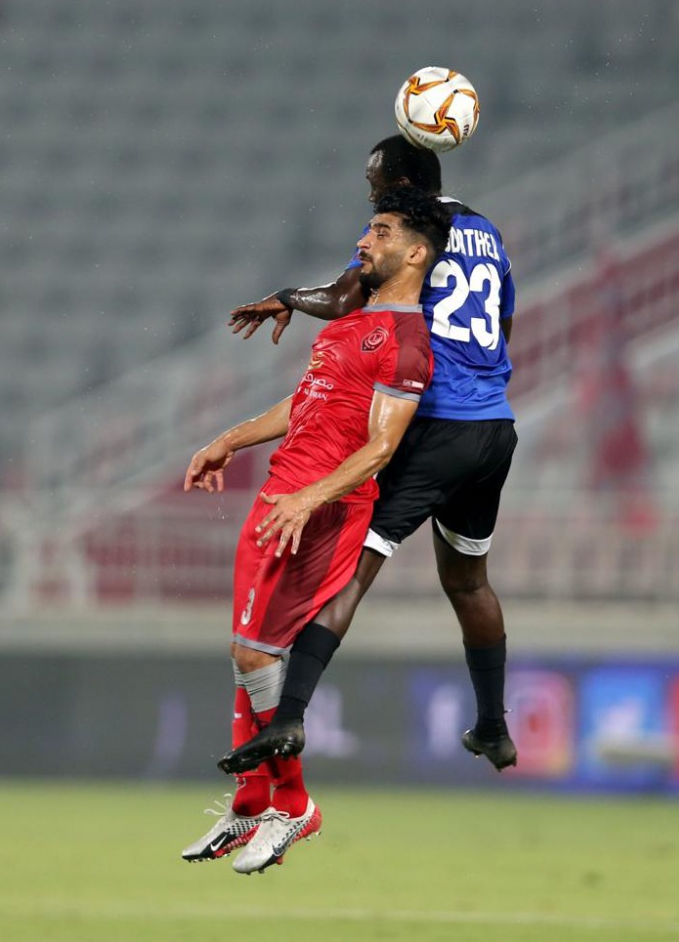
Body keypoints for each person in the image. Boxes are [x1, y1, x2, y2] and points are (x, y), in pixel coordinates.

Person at [222, 135, 519, 778]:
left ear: (404, 184)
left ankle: (291, 717)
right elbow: (504, 323)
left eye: (377, 183)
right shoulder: (487, 232)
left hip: (433, 421)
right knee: (468, 579)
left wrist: (287, 295)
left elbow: (339, 297)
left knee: (353, 566)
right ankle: (494, 725)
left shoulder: (405, 230)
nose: (371, 196)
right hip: (494, 426)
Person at [181, 187, 451, 875]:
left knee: (257, 657)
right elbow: (310, 399)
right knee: (246, 649)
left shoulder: (410, 344)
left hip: (321, 508)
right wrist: (230, 439)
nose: (365, 240)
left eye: (382, 232)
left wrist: (310, 498)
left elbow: (380, 449)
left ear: (415, 252)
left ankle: (292, 806)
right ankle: (249, 805)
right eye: (369, 228)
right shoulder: (350, 321)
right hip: (282, 494)